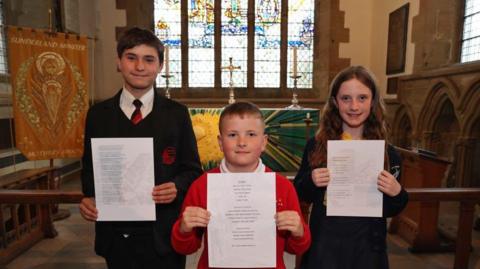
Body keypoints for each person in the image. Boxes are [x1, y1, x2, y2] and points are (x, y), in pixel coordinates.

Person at [79, 27, 203, 269]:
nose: (139, 67)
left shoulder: (177, 114)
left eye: (149, 59)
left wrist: (176, 187)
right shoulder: (98, 115)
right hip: (115, 235)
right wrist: (89, 199)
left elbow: (192, 171)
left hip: (163, 234)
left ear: (160, 66)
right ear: (118, 62)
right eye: (131, 57)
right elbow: (89, 171)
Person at [171, 102, 311, 269]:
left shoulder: (282, 186)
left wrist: (298, 232)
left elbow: (295, 248)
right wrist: (184, 229)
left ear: (264, 142)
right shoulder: (202, 185)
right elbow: (185, 247)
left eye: (251, 134)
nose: (242, 142)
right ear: (220, 142)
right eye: (232, 135)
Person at [294, 66, 409, 269]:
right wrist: (311, 181)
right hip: (326, 244)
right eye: (346, 98)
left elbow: (393, 208)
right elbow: (300, 191)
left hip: (367, 247)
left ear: (373, 101)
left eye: (362, 98)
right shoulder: (317, 145)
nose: (354, 106)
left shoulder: (387, 153)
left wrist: (396, 192)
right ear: (335, 102)